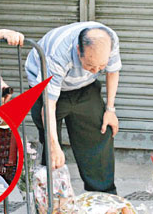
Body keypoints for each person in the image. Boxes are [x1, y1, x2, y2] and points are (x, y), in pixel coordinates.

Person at [25, 21, 122, 194]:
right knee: (51, 146)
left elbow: (112, 71)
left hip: (84, 87)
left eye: (100, 66)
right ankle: (53, 199)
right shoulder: (58, 54)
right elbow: (49, 105)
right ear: (78, 50)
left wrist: (110, 110)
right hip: (46, 89)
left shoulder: (109, 40)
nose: (95, 70)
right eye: (91, 65)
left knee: (99, 133)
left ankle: (103, 197)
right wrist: (54, 145)